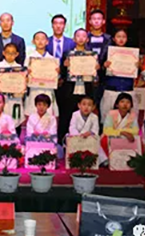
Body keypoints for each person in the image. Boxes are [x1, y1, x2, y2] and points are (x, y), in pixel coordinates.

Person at [59, 28, 98, 143]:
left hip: (86, 90)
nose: (81, 38)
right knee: (66, 117)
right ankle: (64, 143)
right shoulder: (68, 54)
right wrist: (64, 66)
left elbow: (96, 77)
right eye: (78, 36)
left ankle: (86, 143)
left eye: (84, 36)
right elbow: (61, 74)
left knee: (85, 118)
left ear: (87, 39)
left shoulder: (92, 55)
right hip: (70, 91)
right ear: (74, 39)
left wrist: (97, 69)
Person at [46, 14, 75, 146]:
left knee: (65, 112)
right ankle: (48, 139)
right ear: (52, 25)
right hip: (48, 83)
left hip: (66, 83)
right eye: (56, 23)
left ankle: (62, 139)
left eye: (61, 23)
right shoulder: (45, 42)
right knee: (49, 111)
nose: (58, 26)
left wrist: (62, 76)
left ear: (65, 26)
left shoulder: (71, 43)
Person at [99, 29, 139, 122]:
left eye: (124, 37)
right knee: (108, 120)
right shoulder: (108, 53)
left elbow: (136, 74)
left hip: (127, 89)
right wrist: (104, 66)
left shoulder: (132, 54)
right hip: (111, 89)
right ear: (114, 38)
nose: (121, 39)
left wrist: (138, 66)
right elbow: (100, 73)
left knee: (128, 121)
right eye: (118, 36)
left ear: (127, 39)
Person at [0, 13, 26, 93]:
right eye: (3, 21)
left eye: (8, 20)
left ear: (12, 23)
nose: (5, 23)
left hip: (15, 80)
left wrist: (12, 73)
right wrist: (1, 73)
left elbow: (21, 59)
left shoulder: (20, 40)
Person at [0, 43, 25, 127]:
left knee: (16, 121)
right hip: (3, 98)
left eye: (13, 53)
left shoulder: (19, 67)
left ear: (17, 54)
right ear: (3, 53)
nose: (10, 55)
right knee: (2, 122)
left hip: (16, 98)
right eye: (8, 53)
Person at [25, 31, 59, 119]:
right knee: (33, 117)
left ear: (47, 42)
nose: (40, 41)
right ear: (33, 41)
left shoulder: (52, 60)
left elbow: (56, 78)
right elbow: (24, 77)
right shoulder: (29, 59)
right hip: (34, 90)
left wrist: (57, 73)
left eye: (43, 39)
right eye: (37, 39)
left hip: (48, 90)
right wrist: (26, 74)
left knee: (48, 118)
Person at [101, 93, 139, 161]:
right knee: (104, 139)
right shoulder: (111, 114)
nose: (125, 104)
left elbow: (136, 130)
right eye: (122, 102)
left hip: (127, 138)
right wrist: (122, 132)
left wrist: (126, 133)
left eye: (128, 102)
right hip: (112, 137)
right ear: (117, 104)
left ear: (131, 105)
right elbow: (106, 130)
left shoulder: (133, 115)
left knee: (137, 140)